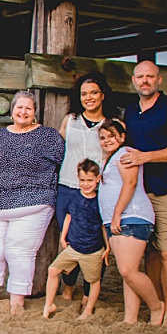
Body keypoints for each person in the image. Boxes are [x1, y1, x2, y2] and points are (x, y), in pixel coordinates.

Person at [0, 91, 65, 314]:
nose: (23, 112)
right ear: (12, 110)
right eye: (19, 107)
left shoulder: (48, 136)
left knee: (17, 251)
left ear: (35, 112)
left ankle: (16, 300)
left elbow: (62, 163)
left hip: (33, 201)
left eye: (28, 108)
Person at [121, 60, 167, 329]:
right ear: (134, 81)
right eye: (140, 77)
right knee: (148, 251)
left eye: (150, 76)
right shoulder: (129, 111)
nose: (145, 81)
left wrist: (145, 157)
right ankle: (157, 304)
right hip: (137, 194)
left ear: (159, 80)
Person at [55, 72, 116, 302]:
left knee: (97, 242)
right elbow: (56, 152)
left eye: (93, 93)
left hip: (99, 192)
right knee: (70, 239)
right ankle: (69, 286)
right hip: (68, 189)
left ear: (102, 95)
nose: (88, 97)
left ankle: (90, 292)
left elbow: (119, 156)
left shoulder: (113, 124)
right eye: (84, 94)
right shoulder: (70, 120)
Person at [99, 119, 165, 325]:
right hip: (116, 219)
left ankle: (157, 306)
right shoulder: (112, 157)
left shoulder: (125, 153)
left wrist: (117, 213)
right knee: (129, 272)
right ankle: (131, 318)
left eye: (111, 135)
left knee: (128, 270)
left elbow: (131, 183)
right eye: (102, 137)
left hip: (131, 216)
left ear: (121, 136)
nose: (106, 140)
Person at [42, 159, 108, 320]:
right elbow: (68, 218)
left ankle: (88, 310)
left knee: (93, 280)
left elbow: (103, 225)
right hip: (73, 246)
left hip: (93, 249)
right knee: (53, 270)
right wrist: (63, 237)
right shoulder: (73, 196)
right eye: (82, 180)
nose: (86, 184)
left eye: (90, 180)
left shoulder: (100, 200)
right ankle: (48, 304)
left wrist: (108, 247)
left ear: (97, 179)